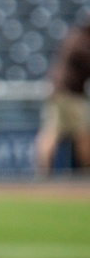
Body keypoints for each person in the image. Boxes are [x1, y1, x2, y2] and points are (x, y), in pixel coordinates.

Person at [34, 11, 90, 174]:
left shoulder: (73, 37)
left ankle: (42, 170)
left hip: (58, 90)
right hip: (69, 93)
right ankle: (86, 172)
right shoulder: (82, 42)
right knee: (82, 134)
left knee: (52, 130)